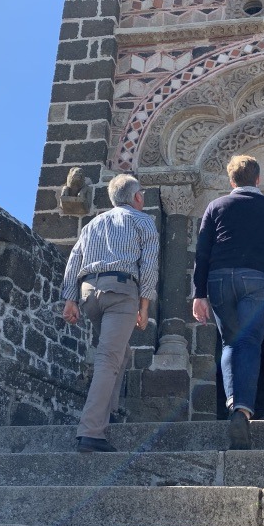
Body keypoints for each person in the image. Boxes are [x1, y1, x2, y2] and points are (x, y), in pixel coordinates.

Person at [191, 155, 264, 449]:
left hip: (219, 280)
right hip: (257, 280)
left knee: (229, 343)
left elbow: (202, 253)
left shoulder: (216, 207)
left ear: (231, 181)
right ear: (258, 179)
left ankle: (232, 400)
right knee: (249, 343)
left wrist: (198, 293)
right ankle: (243, 410)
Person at [61, 174, 159, 452]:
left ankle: (109, 409)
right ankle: (91, 431)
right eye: (142, 193)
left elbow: (74, 260)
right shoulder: (143, 221)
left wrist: (70, 299)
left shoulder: (93, 223)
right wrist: (144, 306)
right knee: (108, 359)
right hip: (120, 292)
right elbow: (149, 267)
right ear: (137, 197)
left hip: (89, 295)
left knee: (120, 352)